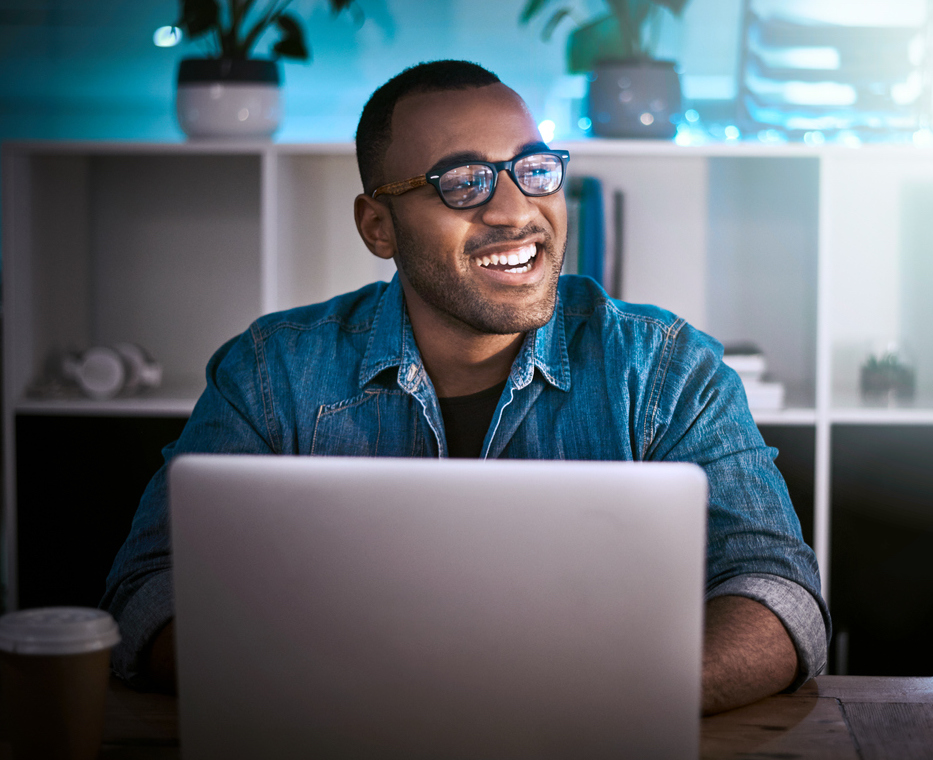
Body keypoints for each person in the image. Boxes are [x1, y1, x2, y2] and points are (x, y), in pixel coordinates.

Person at [102, 60, 829, 715]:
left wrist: (612, 696)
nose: (516, 212)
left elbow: (778, 593)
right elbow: (148, 591)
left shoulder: (667, 369)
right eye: (463, 182)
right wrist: (352, 691)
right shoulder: (272, 372)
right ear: (378, 226)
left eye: (535, 169)